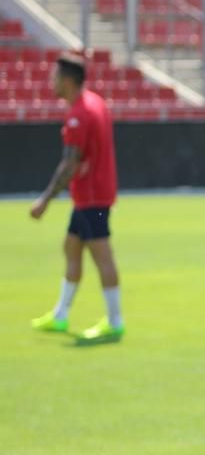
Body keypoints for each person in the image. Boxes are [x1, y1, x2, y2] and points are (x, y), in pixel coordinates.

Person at [29, 52, 124, 342]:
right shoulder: (96, 102)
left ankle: (116, 321)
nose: (52, 81)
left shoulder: (79, 115)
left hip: (93, 198)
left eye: (56, 76)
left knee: (101, 255)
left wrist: (45, 200)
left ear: (68, 80)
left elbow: (70, 163)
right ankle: (60, 315)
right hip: (90, 195)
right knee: (71, 247)